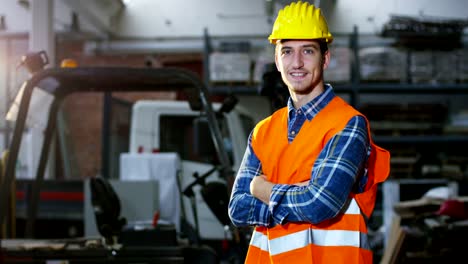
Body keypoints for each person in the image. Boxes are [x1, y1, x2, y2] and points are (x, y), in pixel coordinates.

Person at [227, 1, 391, 263]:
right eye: (288, 51)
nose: (298, 63)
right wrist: (298, 194)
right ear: (277, 61)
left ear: (325, 58)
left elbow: (321, 203)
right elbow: (237, 209)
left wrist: (262, 188)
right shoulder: (263, 131)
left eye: (308, 51)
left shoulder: (348, 125)